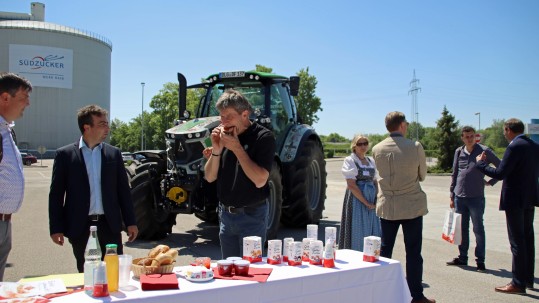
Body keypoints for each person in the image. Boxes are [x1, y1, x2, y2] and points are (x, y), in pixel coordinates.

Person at [48, 104, 138, 273]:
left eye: (107, 123)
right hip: (80, 227)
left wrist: (131, 222)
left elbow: (123, 192)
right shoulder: (65, 155)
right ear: (86, 127)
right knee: (88, 274)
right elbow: (56, 195)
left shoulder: (114, 154)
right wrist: (56, 228)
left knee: (114, 272)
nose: (108, 128)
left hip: (109, 226)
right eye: (102, 124)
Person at [204, 89, 275, 258]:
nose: (224, 122)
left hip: (252, 217)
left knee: (251, 273)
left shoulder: (263, 137)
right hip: (225, 217)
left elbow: (260, 180)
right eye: (221, 116)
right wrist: (216, 151)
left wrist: (236, 147)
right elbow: (209, 177)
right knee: (228, 274)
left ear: (245, 114)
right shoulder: (221, 135)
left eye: (229, 116)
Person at [372, 111, 434, 303]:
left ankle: (381, 293)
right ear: (401, 125)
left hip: (388, 206)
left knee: (385, 251)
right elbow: (422, 175)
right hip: (411, 206)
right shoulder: (414, 146)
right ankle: (416, 295)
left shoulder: (377, 148)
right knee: (413, 252)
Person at [475, 118, 539, 294]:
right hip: (529, 198)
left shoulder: (514, 146)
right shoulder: (534, 146)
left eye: (504, 131)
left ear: (509, 130)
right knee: (527, 239)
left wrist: (481, 163)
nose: (504, 134)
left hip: (514, 200)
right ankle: (527, 279)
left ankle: (517, 283)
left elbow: (500, 173)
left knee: (517, 241)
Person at [446, 126, 500, 272]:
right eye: (466, 137)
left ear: (475, 137)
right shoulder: (459, 151)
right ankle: (462, 257)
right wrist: (452, 194)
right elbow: (455, 173)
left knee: (478, 229)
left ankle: (480, 261)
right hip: (459, 196)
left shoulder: (484, 151)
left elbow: (501, 167)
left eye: (472, 136)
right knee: (462, 229)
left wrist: (490, 181)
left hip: (476, 197)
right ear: (462, 138)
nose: (469, 139)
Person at [0, 73, 32, 281]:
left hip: (5, 222)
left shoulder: (7, 131)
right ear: (5, 98)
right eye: (23, 98)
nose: (27, 104)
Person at [338, 134, 381, 251]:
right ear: (354, 146)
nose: (363, 146)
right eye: (359, 144)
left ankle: (372, 254)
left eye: (365, 143)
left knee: (372, 228)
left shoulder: (371, 161)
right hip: (357, 200)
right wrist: (366, 202)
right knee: (358, 228)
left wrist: (377, 199)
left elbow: (375, 181)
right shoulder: (350, 160)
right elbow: (351, 185)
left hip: (371, 200)